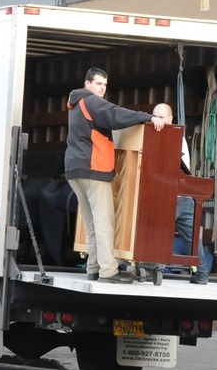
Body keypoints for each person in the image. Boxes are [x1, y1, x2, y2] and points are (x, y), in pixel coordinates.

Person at [65, 67, 166, 283]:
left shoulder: (75, 104)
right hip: (93, 168)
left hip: (75, 170)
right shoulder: (91, 101)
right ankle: (108, 271)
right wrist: (149, 116)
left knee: (91, 222)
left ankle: (93, 267)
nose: (102, 88)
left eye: (104, 85)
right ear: (87, 84)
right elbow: (116, 115)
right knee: (104, 221)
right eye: (99, 83)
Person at [152, 103, 212, 285]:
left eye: (161, 117)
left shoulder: (171, 134)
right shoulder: (178, 136)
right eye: (154, 115)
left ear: (170, 119)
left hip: (173, 195)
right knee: (192, 239)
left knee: (158, 231)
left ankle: (154, 268)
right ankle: (201, 274)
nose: (157, 120)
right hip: (185, 196)